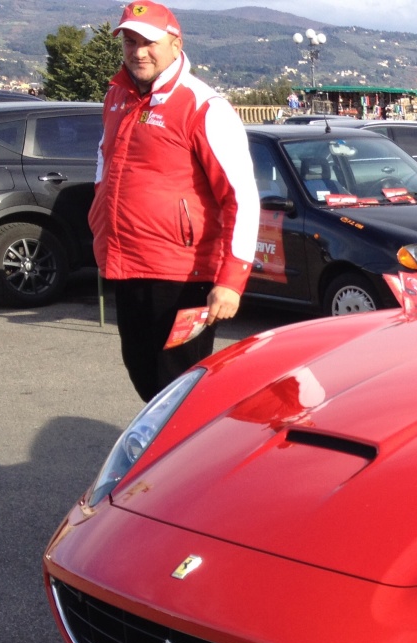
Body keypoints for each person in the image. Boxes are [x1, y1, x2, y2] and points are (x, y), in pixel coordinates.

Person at [90, 0, 258, 402]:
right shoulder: (117, 95)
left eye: (148, 41)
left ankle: (192, 462)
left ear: (175, 43)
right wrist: (98, 222)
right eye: (130, 41)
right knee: (144, 376)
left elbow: (242, 198)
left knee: (181, 389)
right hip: (127, 264)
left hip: (184, 274)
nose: (138, 51)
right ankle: (163, 461)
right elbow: (104, 161)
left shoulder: (203, 105)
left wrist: (231, 282)